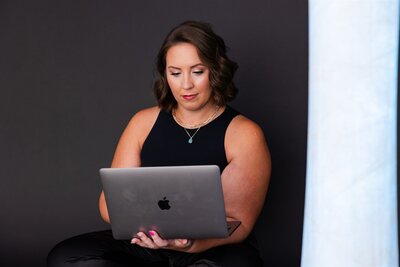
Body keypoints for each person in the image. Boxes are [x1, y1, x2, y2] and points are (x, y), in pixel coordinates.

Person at [47, 20, 271, 267]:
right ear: (165, 74)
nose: (186, 84)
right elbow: (109, 205)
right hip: (146, 245)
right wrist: (149, 232)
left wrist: (187, 244)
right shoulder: (142, 122)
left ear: (216, 71)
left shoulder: (244, 133)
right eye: (175, 73)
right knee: (66, 257)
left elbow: (239, 223)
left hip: (211, 250)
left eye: (197, 71)